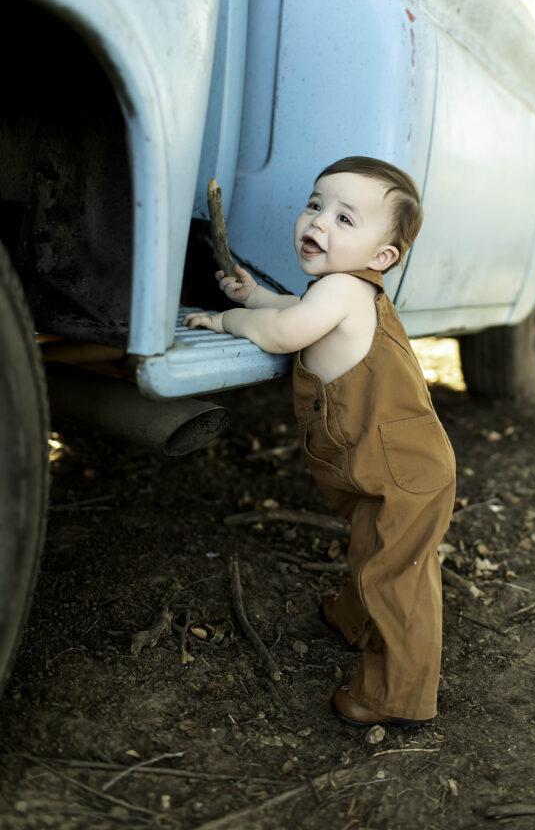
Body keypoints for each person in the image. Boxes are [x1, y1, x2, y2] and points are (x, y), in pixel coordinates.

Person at [184, 157, 456, 727]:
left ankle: (395, 697)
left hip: (402, 469)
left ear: (383, 257)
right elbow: (294, 310)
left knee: (396, 575)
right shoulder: (343, 291)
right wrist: (254, 294)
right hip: (392, 463)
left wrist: (229, 319)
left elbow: (286, 332)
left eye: (345, 218)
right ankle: (354, 618)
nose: (319, 222)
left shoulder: (343, 290)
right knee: (374, 548)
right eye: (315, 204)